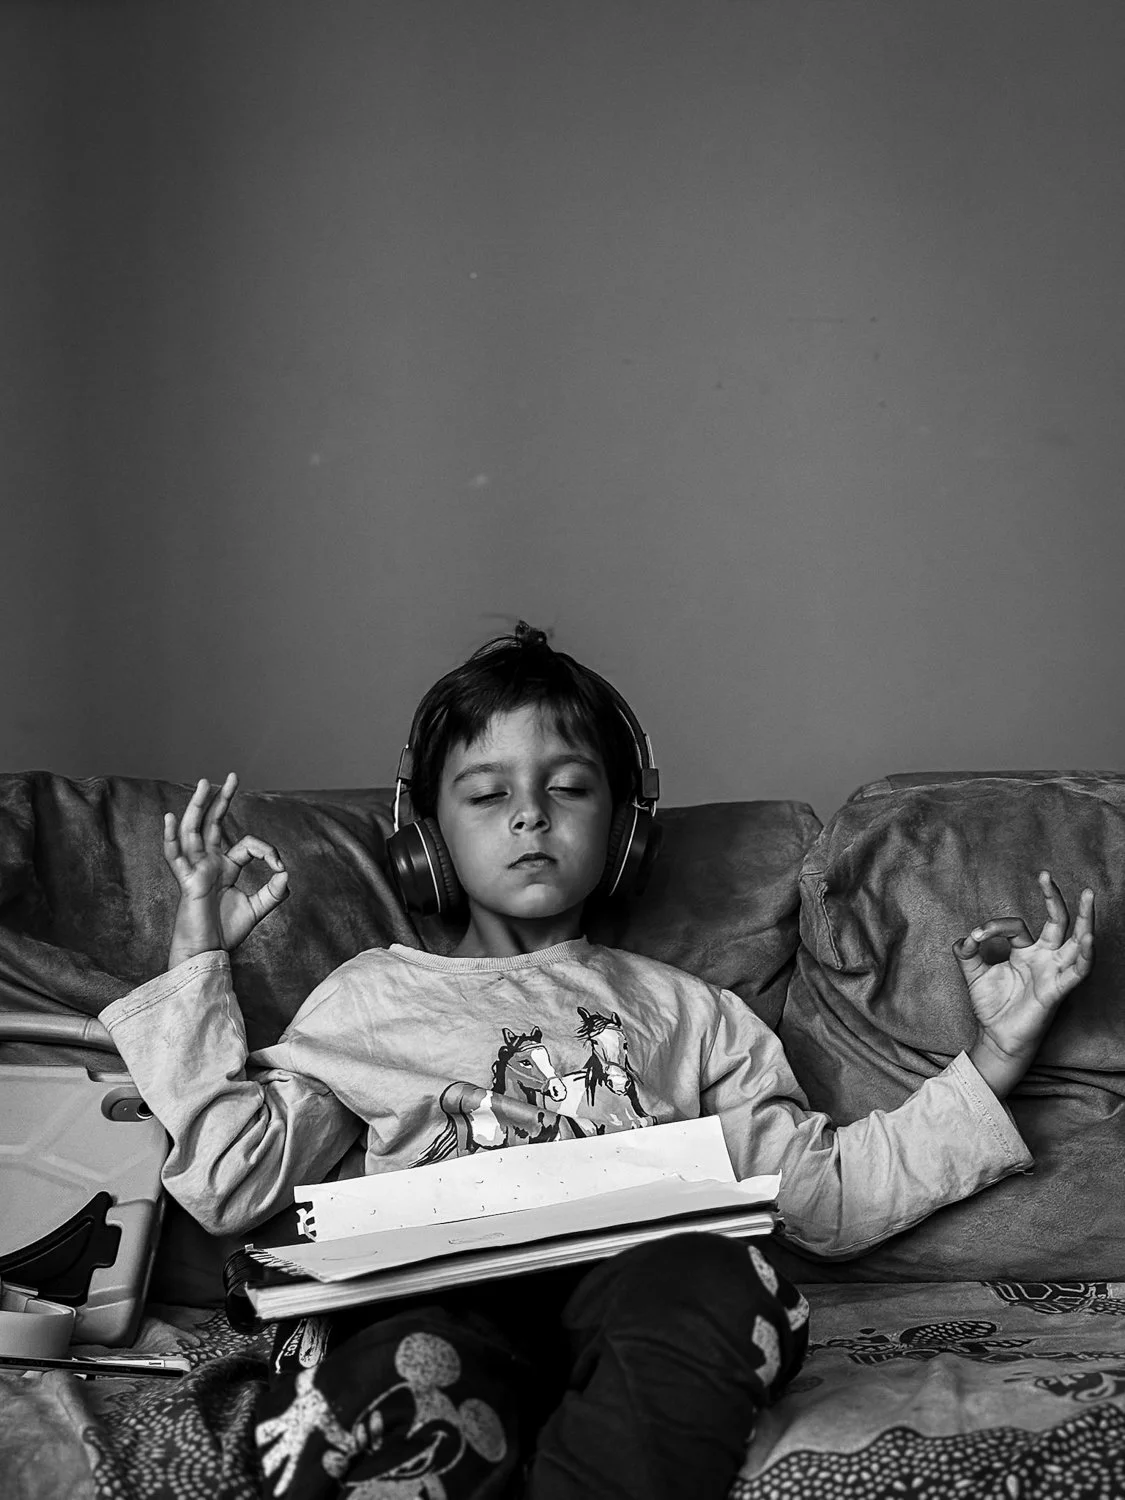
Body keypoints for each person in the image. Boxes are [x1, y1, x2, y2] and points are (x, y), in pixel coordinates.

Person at [100, 623, 1095, 1500]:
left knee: (719, 1279)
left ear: (625, 831)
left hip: (634, 1299)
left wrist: (995, 1053)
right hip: (436, 1302)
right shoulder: (369, 998)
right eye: (486, 793)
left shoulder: (687, 1014)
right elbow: (234, 1183)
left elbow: (824, 1199)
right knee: (404, 1363)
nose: (530, 815)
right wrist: (200, 957)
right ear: (427, 842)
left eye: (569, 788)